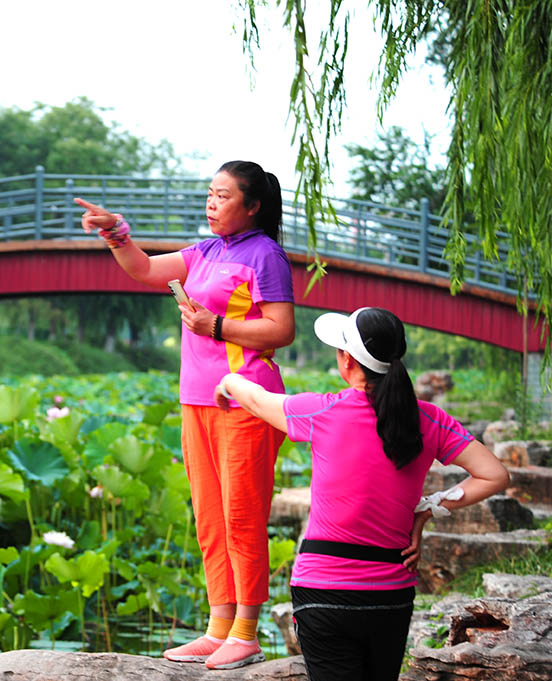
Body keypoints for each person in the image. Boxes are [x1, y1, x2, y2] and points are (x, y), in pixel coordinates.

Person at [75, 160, 295, 670]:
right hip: (196, 400)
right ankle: (218, 628)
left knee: (242, 516)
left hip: (245, 398)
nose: (211, 203)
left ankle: (247, 632)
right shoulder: (207, 251)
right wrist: (115, 230)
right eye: (210, 194)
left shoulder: (266, 255)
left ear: (253, 205)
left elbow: (281, 329)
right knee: (211, 520)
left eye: (223, 196)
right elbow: (146, 269)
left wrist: (215, 326)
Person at [213, 307, 510, 681]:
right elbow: (495, 474)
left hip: (322, 592)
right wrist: (428, 509)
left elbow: (255, 399)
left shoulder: (322, 411)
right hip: (390, 595)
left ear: (348, 359)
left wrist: (227, 380)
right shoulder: (429, 419)